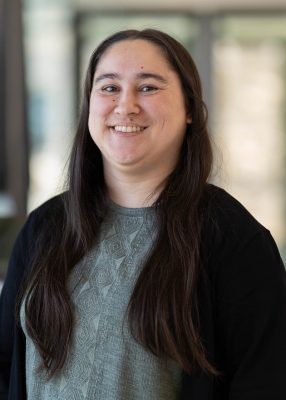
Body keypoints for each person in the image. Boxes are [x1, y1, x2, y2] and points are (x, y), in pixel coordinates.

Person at [0, 28, 286, 400]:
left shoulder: (233, 240)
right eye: (109, 87)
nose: (125, 105)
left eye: (148, 87)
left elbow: (267, 382)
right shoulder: (46, 227)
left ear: (189, 110)